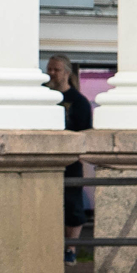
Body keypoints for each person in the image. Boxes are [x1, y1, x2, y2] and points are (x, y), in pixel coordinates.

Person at [46, 55, 93, 262]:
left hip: (71, 161)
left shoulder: (79, 101)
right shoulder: (43, 98)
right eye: (50, 69)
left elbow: (84, 132)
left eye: (56, 70)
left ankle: (70, 250)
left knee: (72, 205)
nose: (52, 74)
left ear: (67, 73)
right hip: (46, 159)